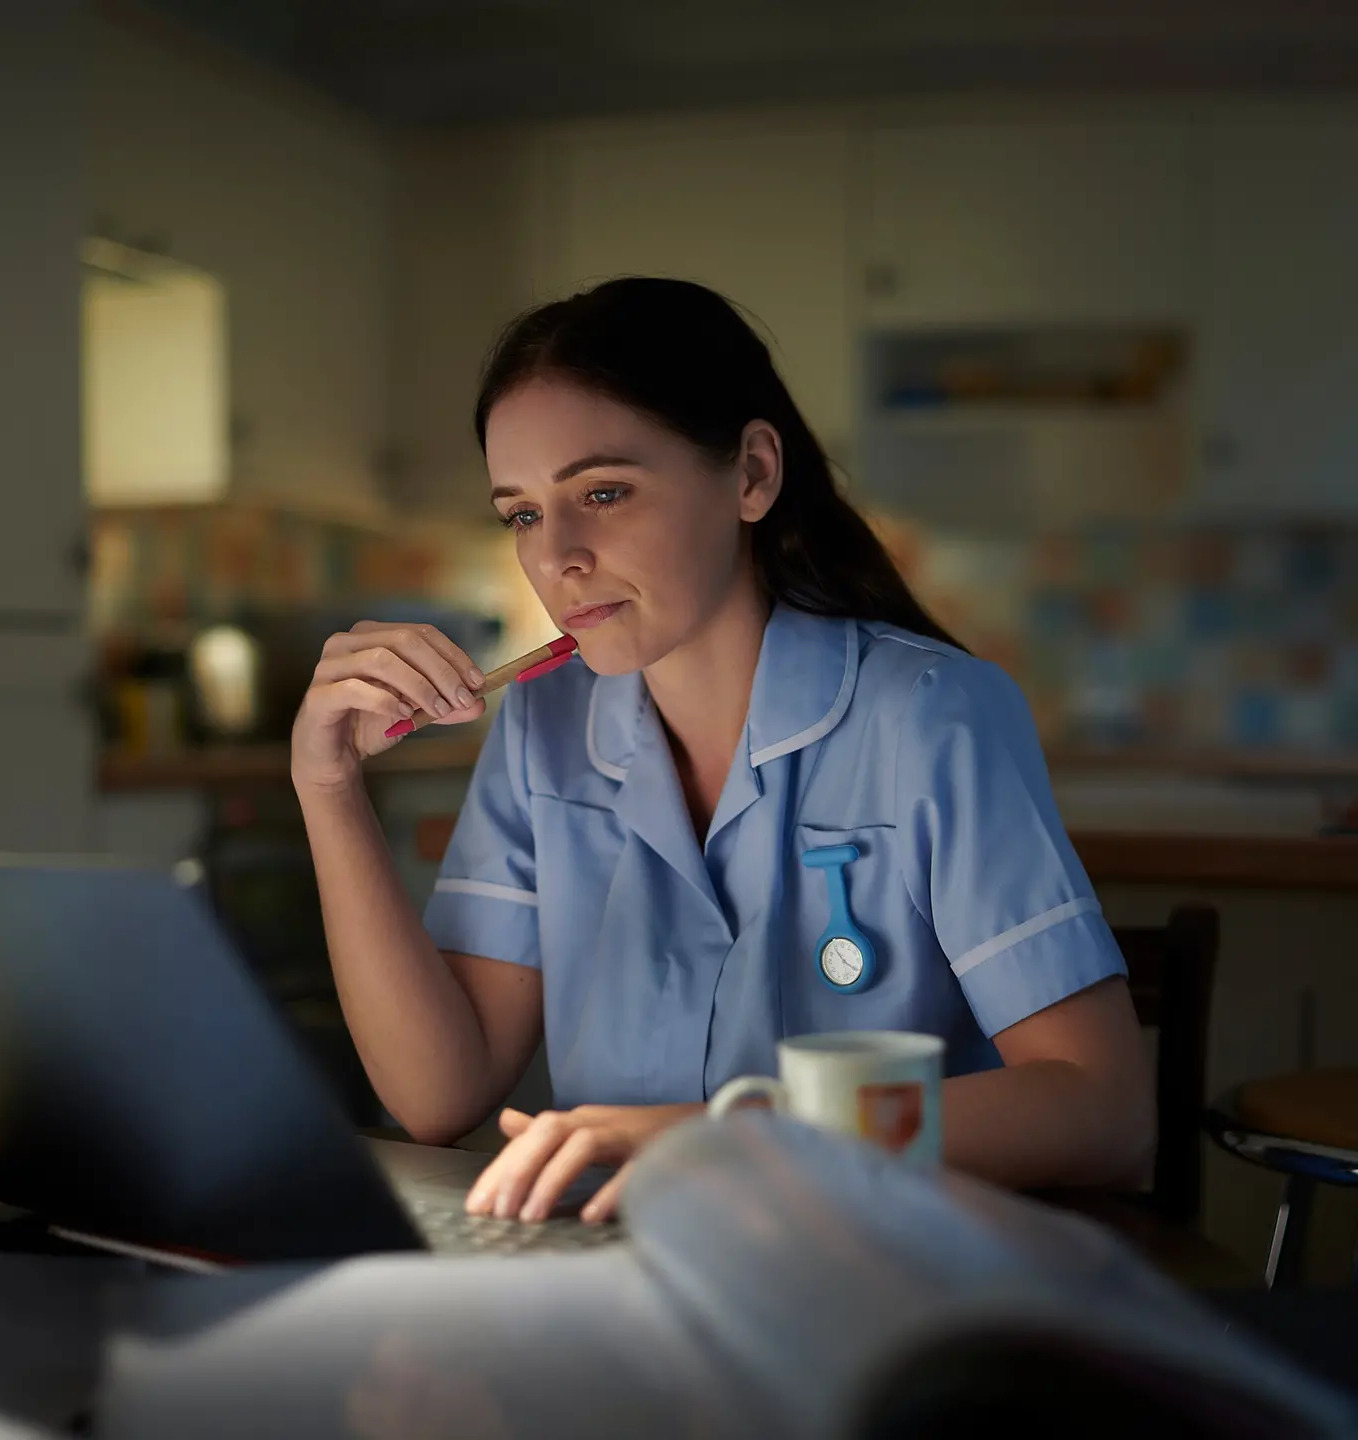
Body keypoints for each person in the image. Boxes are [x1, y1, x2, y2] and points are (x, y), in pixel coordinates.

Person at [291, 278, 1153, 1225]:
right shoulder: (541, 729)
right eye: (524, 514)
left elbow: (1102, 1109)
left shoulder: (932, 715)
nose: (556, 558)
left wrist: (733, 1135)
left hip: (879, 1287)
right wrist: (326, 785)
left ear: (751, 474)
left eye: (604, 492)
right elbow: (436, 1097)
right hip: (626, 1283)